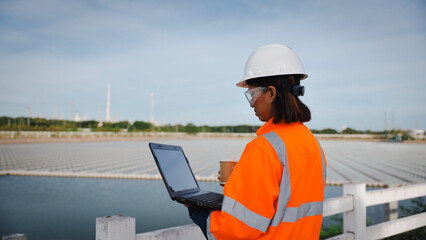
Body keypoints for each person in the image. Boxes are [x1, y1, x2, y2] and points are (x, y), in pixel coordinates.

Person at [188, 43, 327, 239]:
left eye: (252, 94)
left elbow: (234, 230)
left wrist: (197, 211)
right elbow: (290, 195)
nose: (251, 103)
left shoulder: (263, 149)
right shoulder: (312, 144)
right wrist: (243, 181)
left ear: (271, 93)